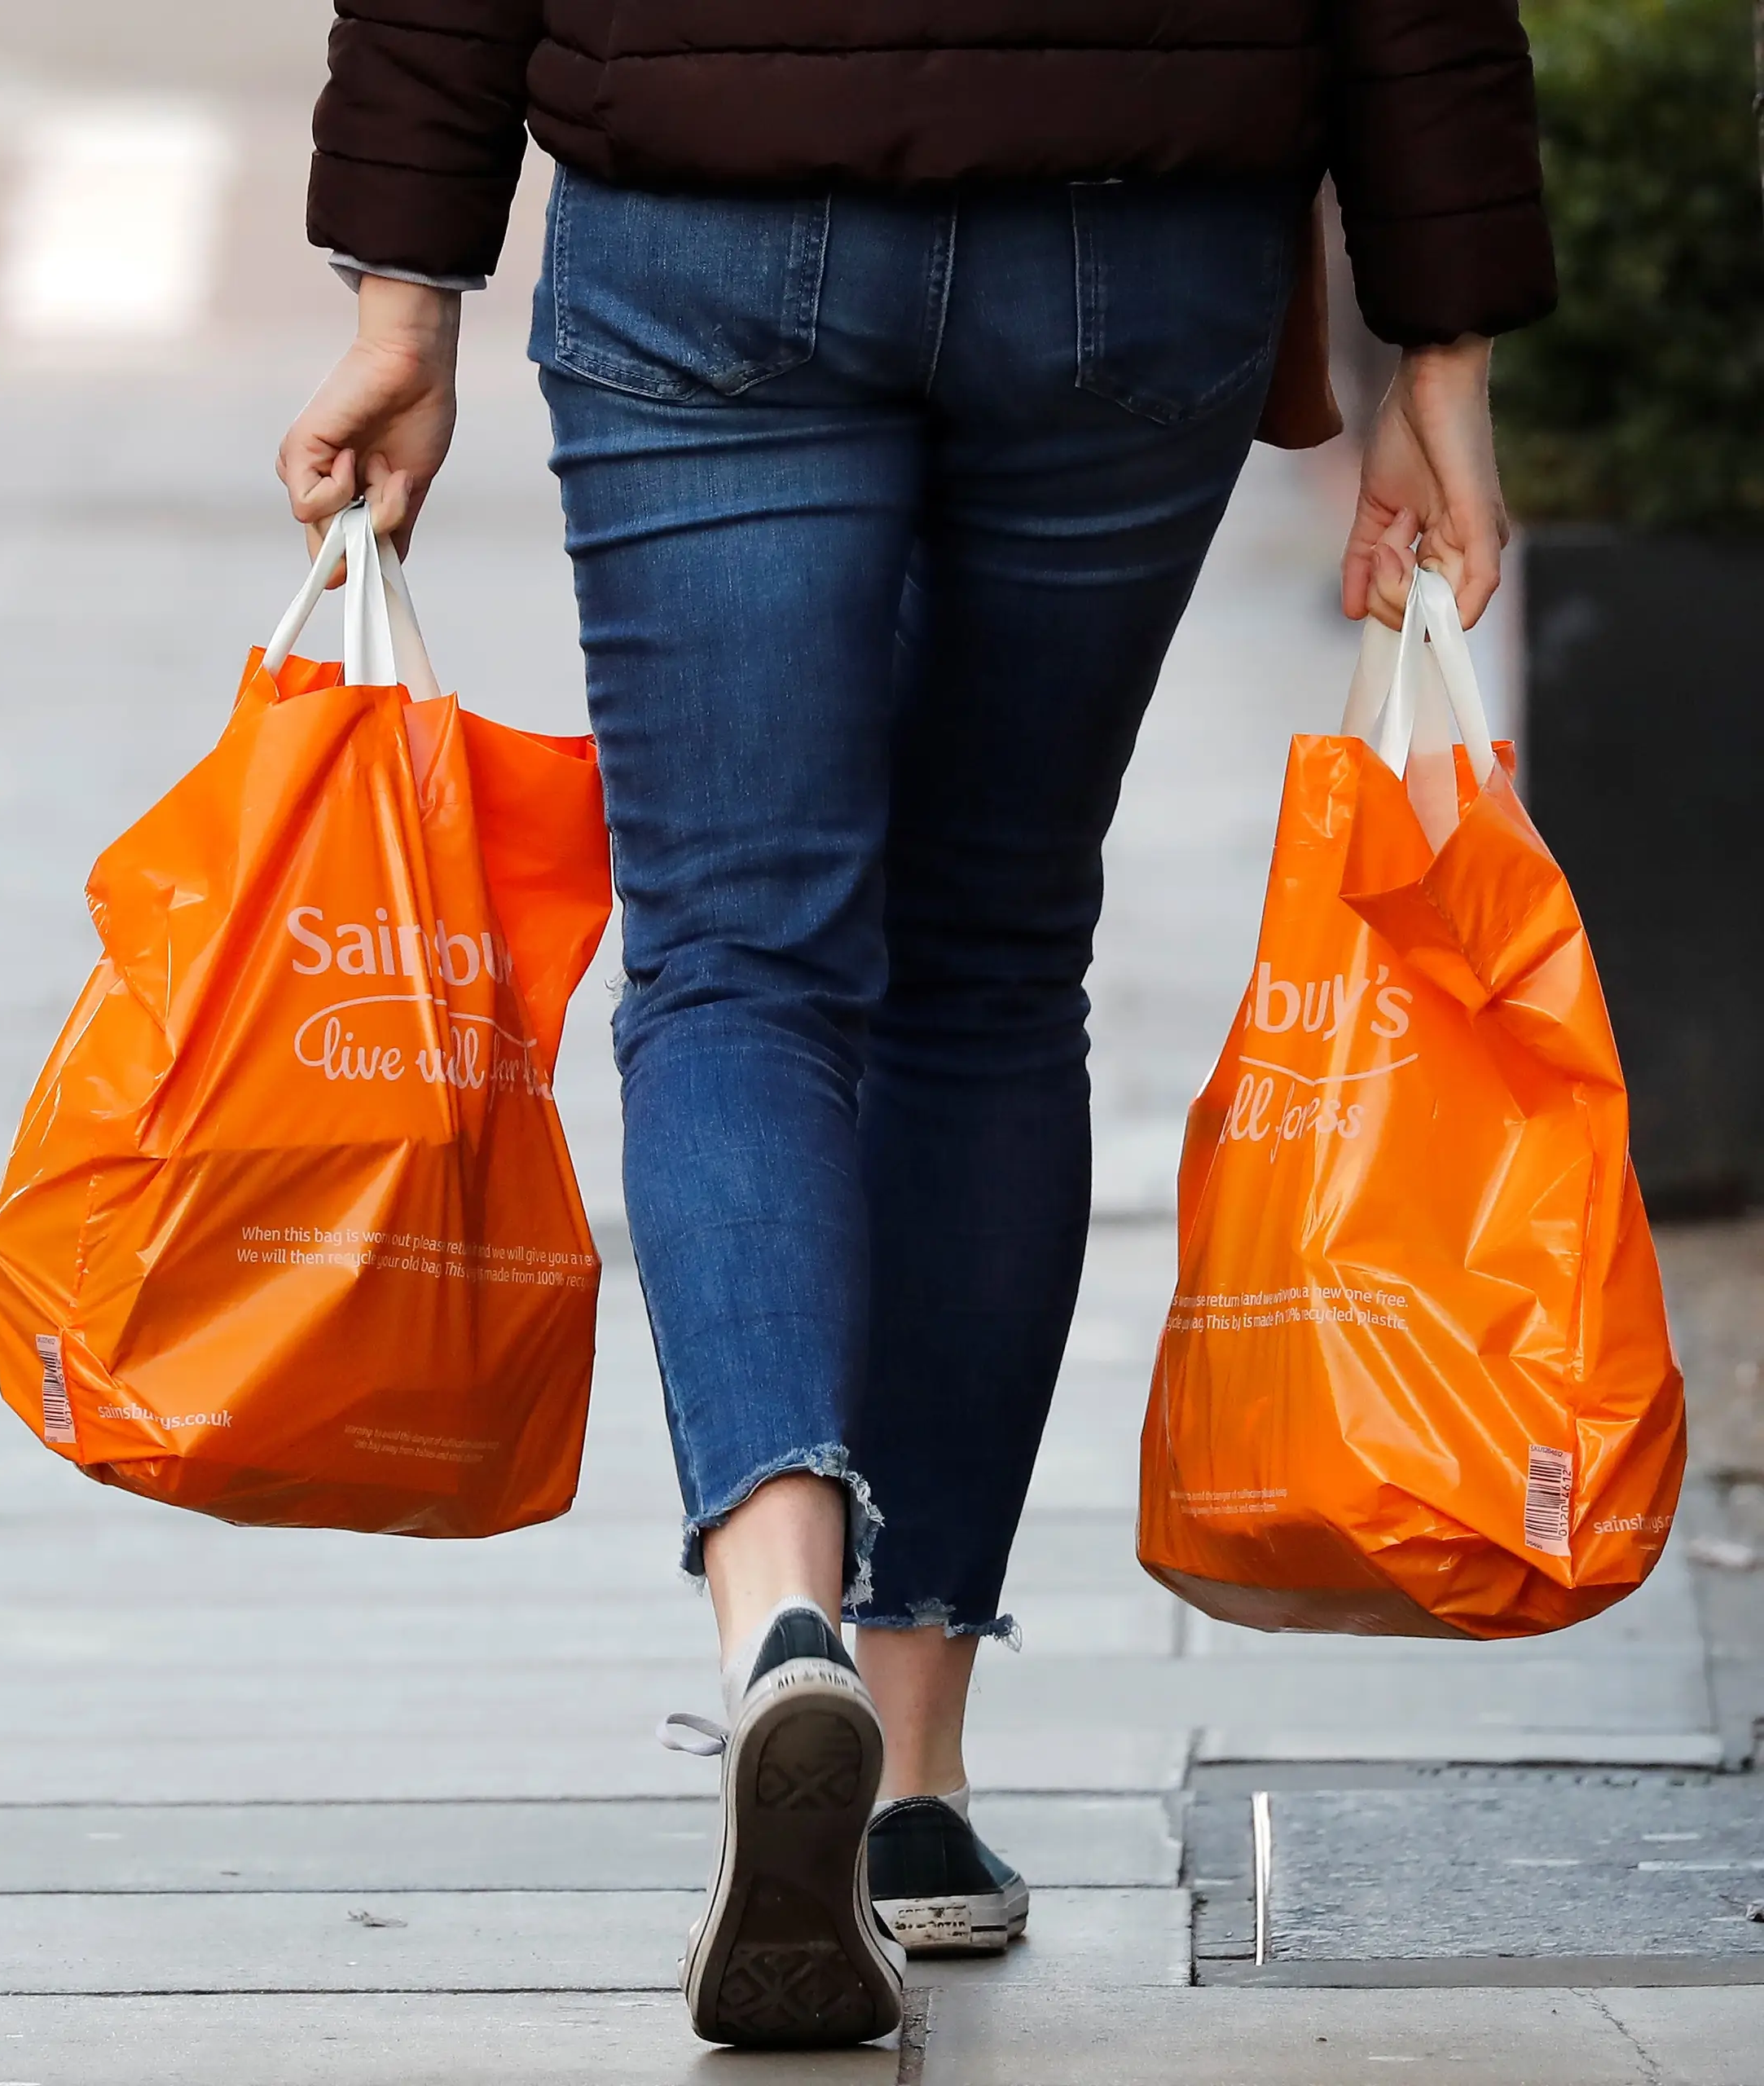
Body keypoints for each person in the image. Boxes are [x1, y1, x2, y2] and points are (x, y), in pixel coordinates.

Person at [281, 0, 1547, 2047]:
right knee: (988, 956)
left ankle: (777, 1601)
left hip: (708, 206)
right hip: (1139, 235)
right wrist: (1447, 345)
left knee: (733, 956)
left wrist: (401, 289)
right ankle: (918, 1768)